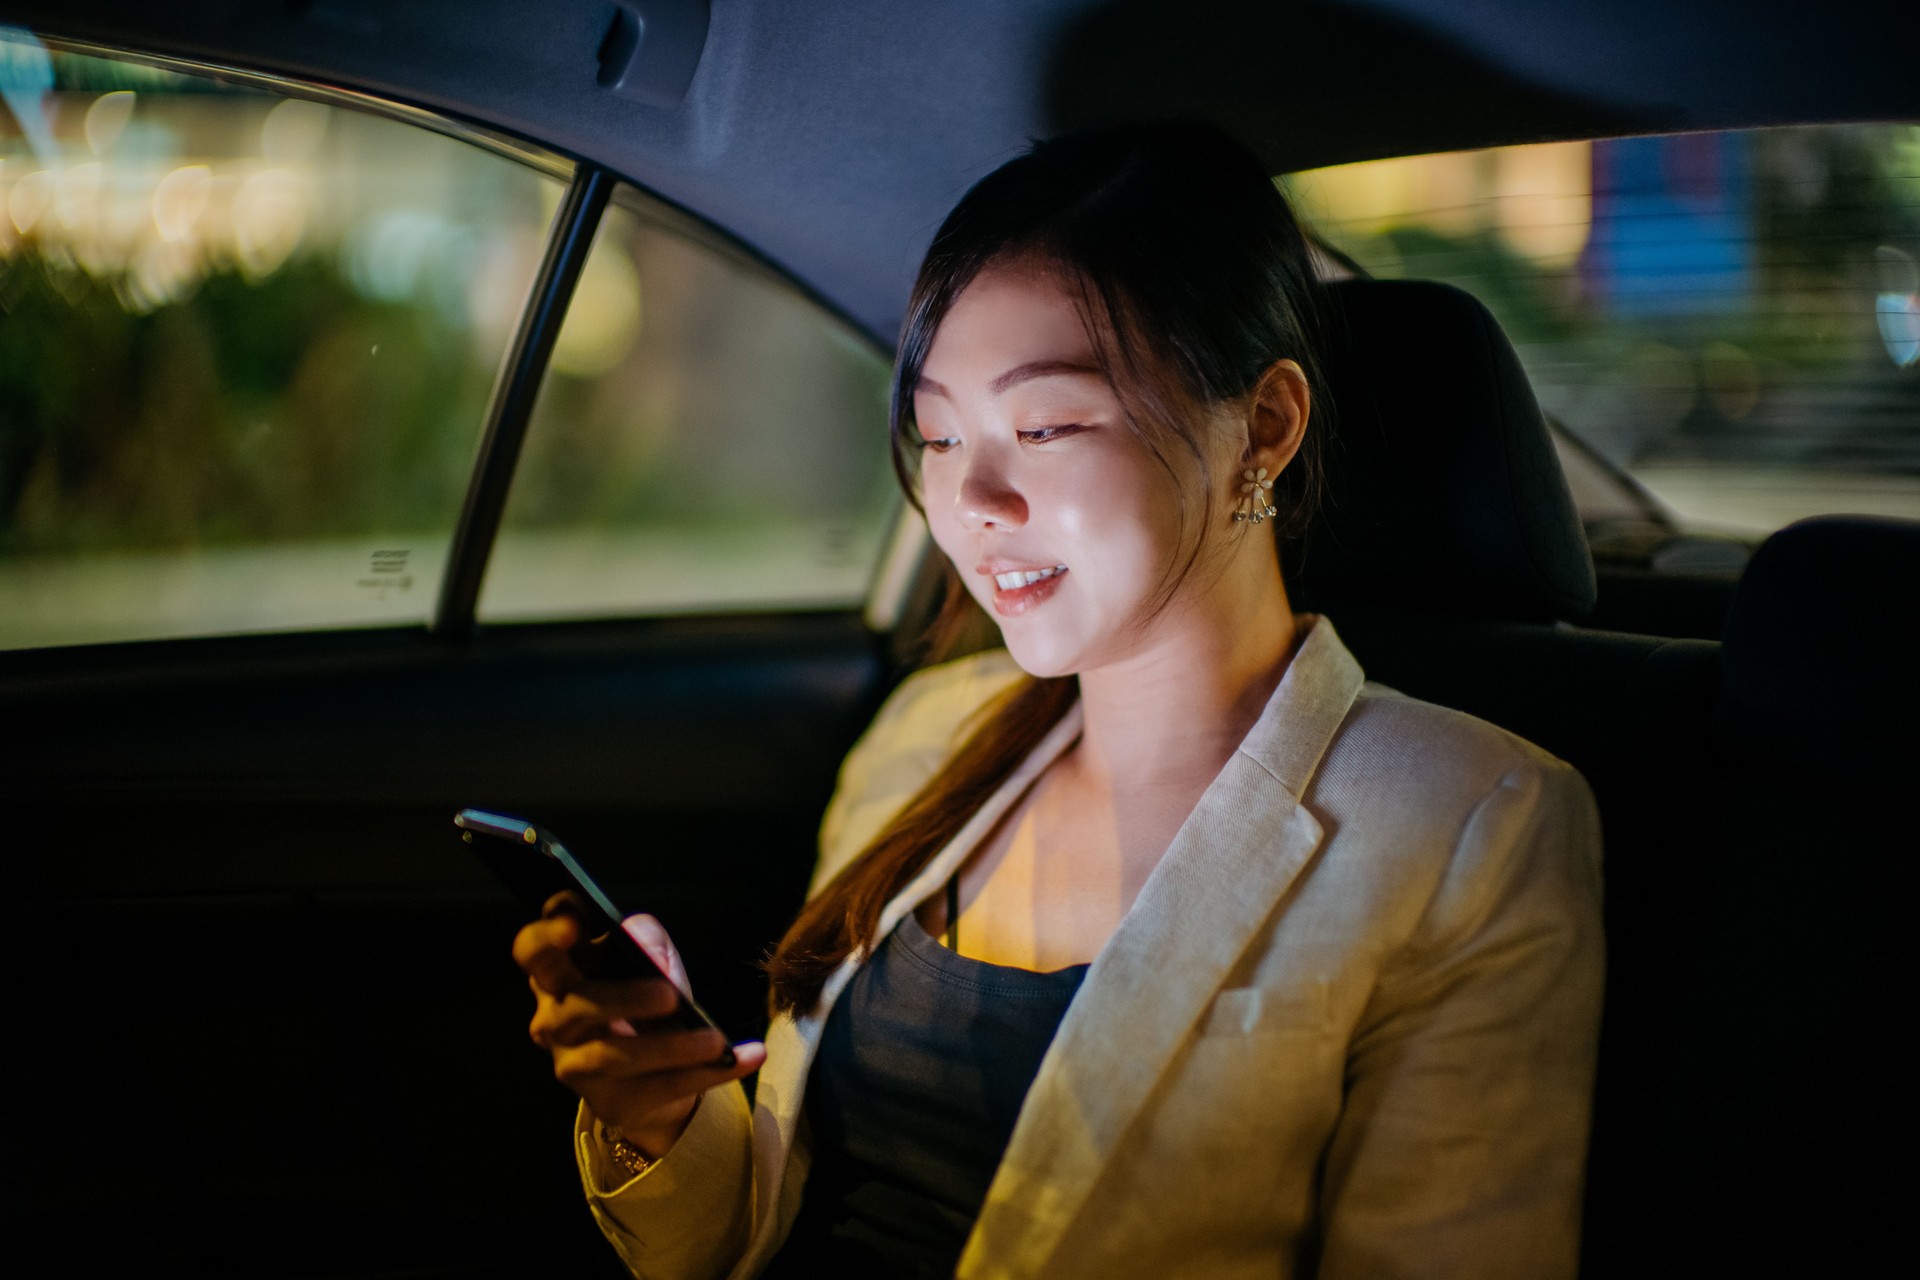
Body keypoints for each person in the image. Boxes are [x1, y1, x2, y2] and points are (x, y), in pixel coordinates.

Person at [512, 121, 1604, 1280]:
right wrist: (661, 1116)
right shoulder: (923, 736)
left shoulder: (1473, 824)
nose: (971, 497)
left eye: (1045, 426)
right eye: (939, 434)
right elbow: (748, 1231)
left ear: (1266, 428)